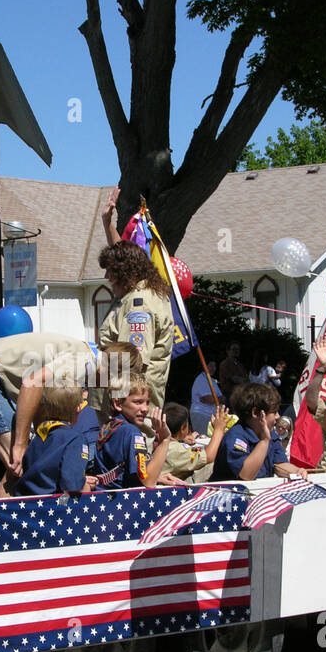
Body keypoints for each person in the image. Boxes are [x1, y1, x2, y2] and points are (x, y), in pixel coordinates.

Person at [0, 331, 142, 477]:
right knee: (21, 463)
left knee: (22, 466)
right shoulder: (83, 361)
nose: (109, 389)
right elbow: (32, 384)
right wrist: (20, 444)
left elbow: (39, 405)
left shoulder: (86, 356)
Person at [97, 187, 176, 407]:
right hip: (128, 409)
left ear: (124, 273)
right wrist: (107, 223)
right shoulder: (143, 291)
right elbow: (123, 255)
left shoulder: (138, 305)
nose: (106, 277)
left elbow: (129, 365)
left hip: (128, 411)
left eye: (110, 271)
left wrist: (117, 411)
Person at [89, 373, 172, 489]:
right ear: (118, 403)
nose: (145, 409)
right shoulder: (131, 432)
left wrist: (158, 478)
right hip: (122, 497)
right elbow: (148, 481)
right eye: (138, 402)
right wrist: (165, 440)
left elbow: (124, 472)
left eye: (147, 402)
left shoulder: (109, 426)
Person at [211, 383, 306, 481]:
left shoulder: (270, 434)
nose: (278, 417)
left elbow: (279, 465)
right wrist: (264, 441)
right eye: (274, 412)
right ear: (255, 413)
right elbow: (246, 475)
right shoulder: (235, 437)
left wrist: (297, 471)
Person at [15, 386, 97, 497]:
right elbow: (72, 485)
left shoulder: (40, 435)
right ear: (78, 408)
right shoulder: (75, 439)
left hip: (27, 499)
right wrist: (85, 486)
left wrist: (82, 479)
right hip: (54, 503)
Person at [162, 402, 228, 482]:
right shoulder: (175, 449)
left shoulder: (165, 444)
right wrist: (219, 429)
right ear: (182, 429)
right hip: (181, 486)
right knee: (215, 463)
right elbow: (209, 457)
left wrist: (182, 438)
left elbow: (193, 451)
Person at [190, 360, 222, 436]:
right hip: (201, 414)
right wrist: (216, 399)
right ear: (204, 366)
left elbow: (222, 398)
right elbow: (209, 399)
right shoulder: (201, 379)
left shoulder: (213, 381)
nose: (213, 368)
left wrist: (215, 399)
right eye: (210, 366)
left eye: (214, 366)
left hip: (210, 415)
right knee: (203, 438)